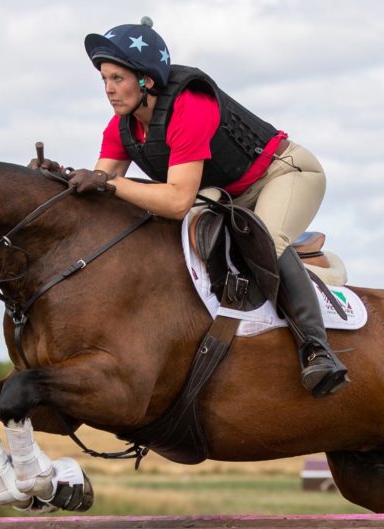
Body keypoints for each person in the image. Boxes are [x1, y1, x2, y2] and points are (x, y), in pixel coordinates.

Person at [37, 17, 348, 396]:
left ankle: (318, 350)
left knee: (264, 239)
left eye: (117, 79)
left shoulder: (189, 106)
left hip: (285, 174)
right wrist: (62, 179)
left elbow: (177, 200)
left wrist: (109, 184)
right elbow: (103, 190)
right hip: (228, 193)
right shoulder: (121, 126)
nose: (108, 90)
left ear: (146, 79)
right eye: (104, 80)